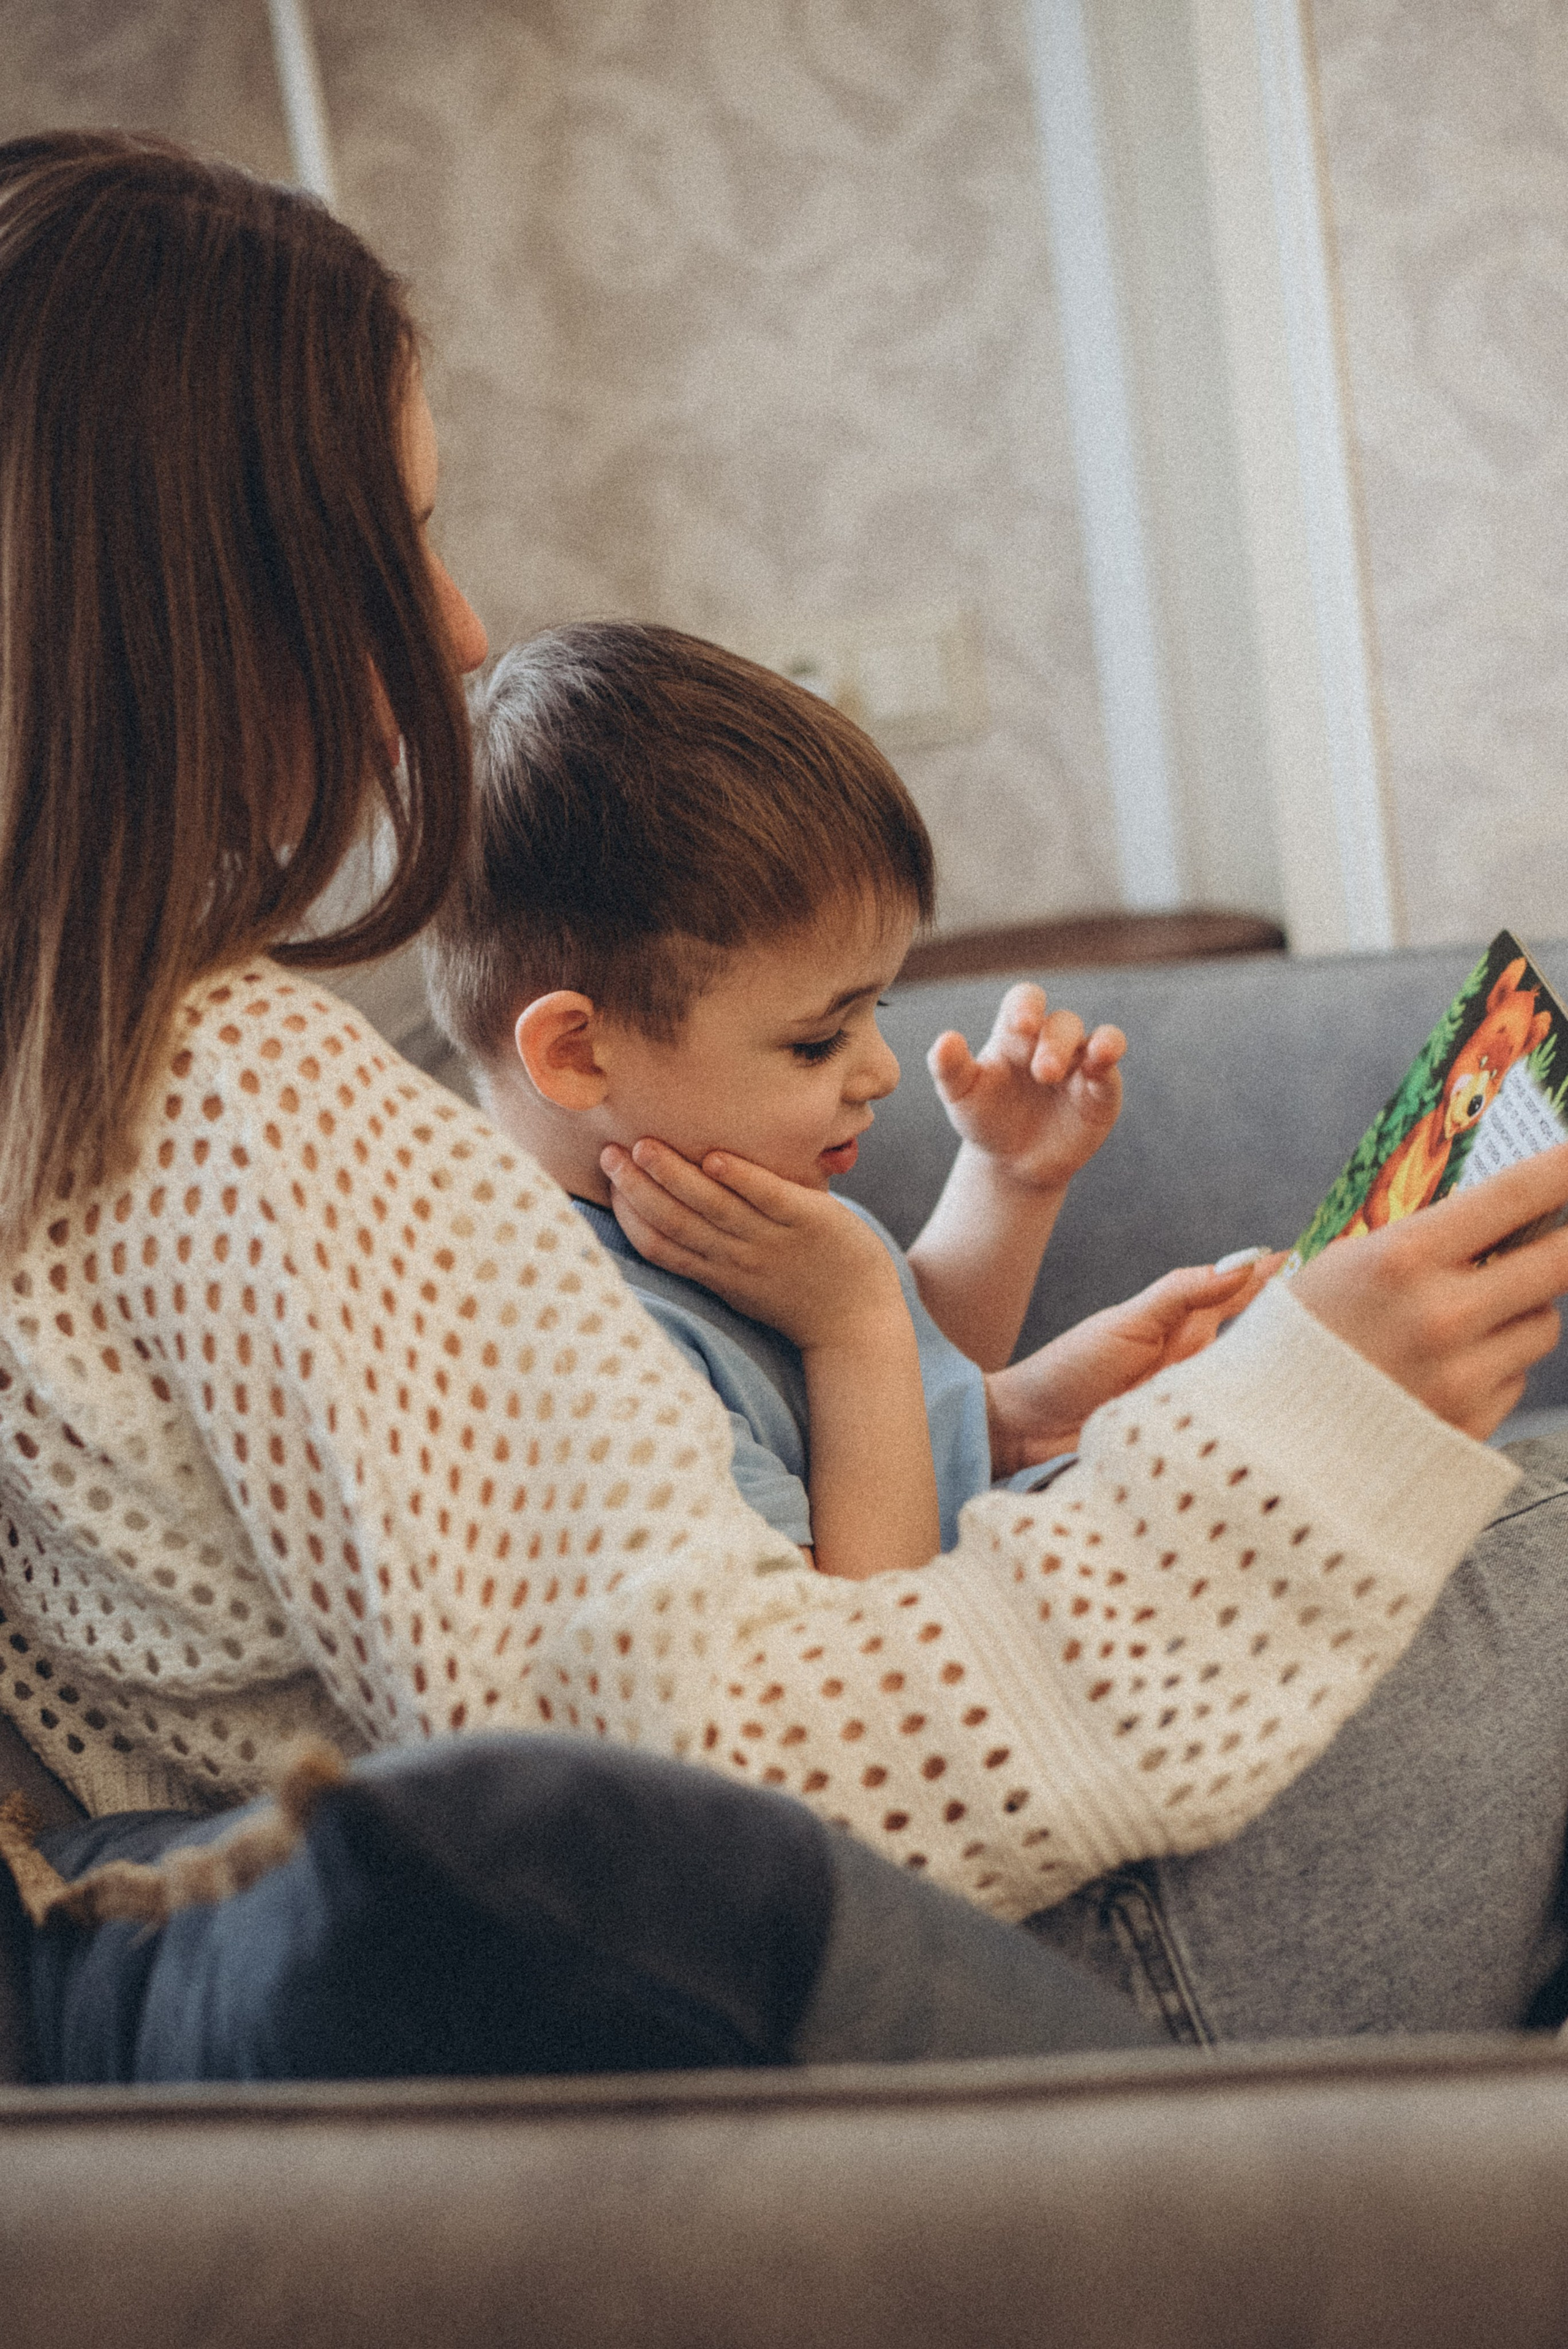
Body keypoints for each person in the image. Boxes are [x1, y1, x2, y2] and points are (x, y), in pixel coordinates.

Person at [4, 130, 1568, 2082]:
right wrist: (1297, 1433)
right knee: (1547, 1512)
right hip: (1011, 2001)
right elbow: (727, 1784)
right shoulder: (225, 1094)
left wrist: (1012, 1408)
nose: (462, 627)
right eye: (397, 540)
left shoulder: (67, 1098)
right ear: (193, 591)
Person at [421, 621, 1275, 1582]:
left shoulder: (729, 1202)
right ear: (578, 1055)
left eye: (880, 1008)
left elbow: (905, 1381)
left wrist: (1010, 1178)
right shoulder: (586, 1349)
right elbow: (862, 1646)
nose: (880, 1071)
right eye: (819, 1038)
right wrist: (851, 1322)